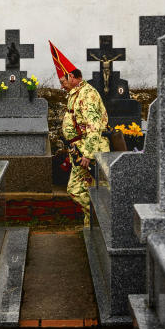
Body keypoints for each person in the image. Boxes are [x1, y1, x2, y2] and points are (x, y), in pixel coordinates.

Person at [51, 41, 110, 227]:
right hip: (80, 149)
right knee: (87, 188)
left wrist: (87, 153)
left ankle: (103, 217)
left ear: (71, 76)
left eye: (63, 82)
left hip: (91, 150)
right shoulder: (76, 94)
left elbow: (94, 126)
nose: (61, 86)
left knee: (78, 189)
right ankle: (92, 222)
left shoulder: (87, 95)